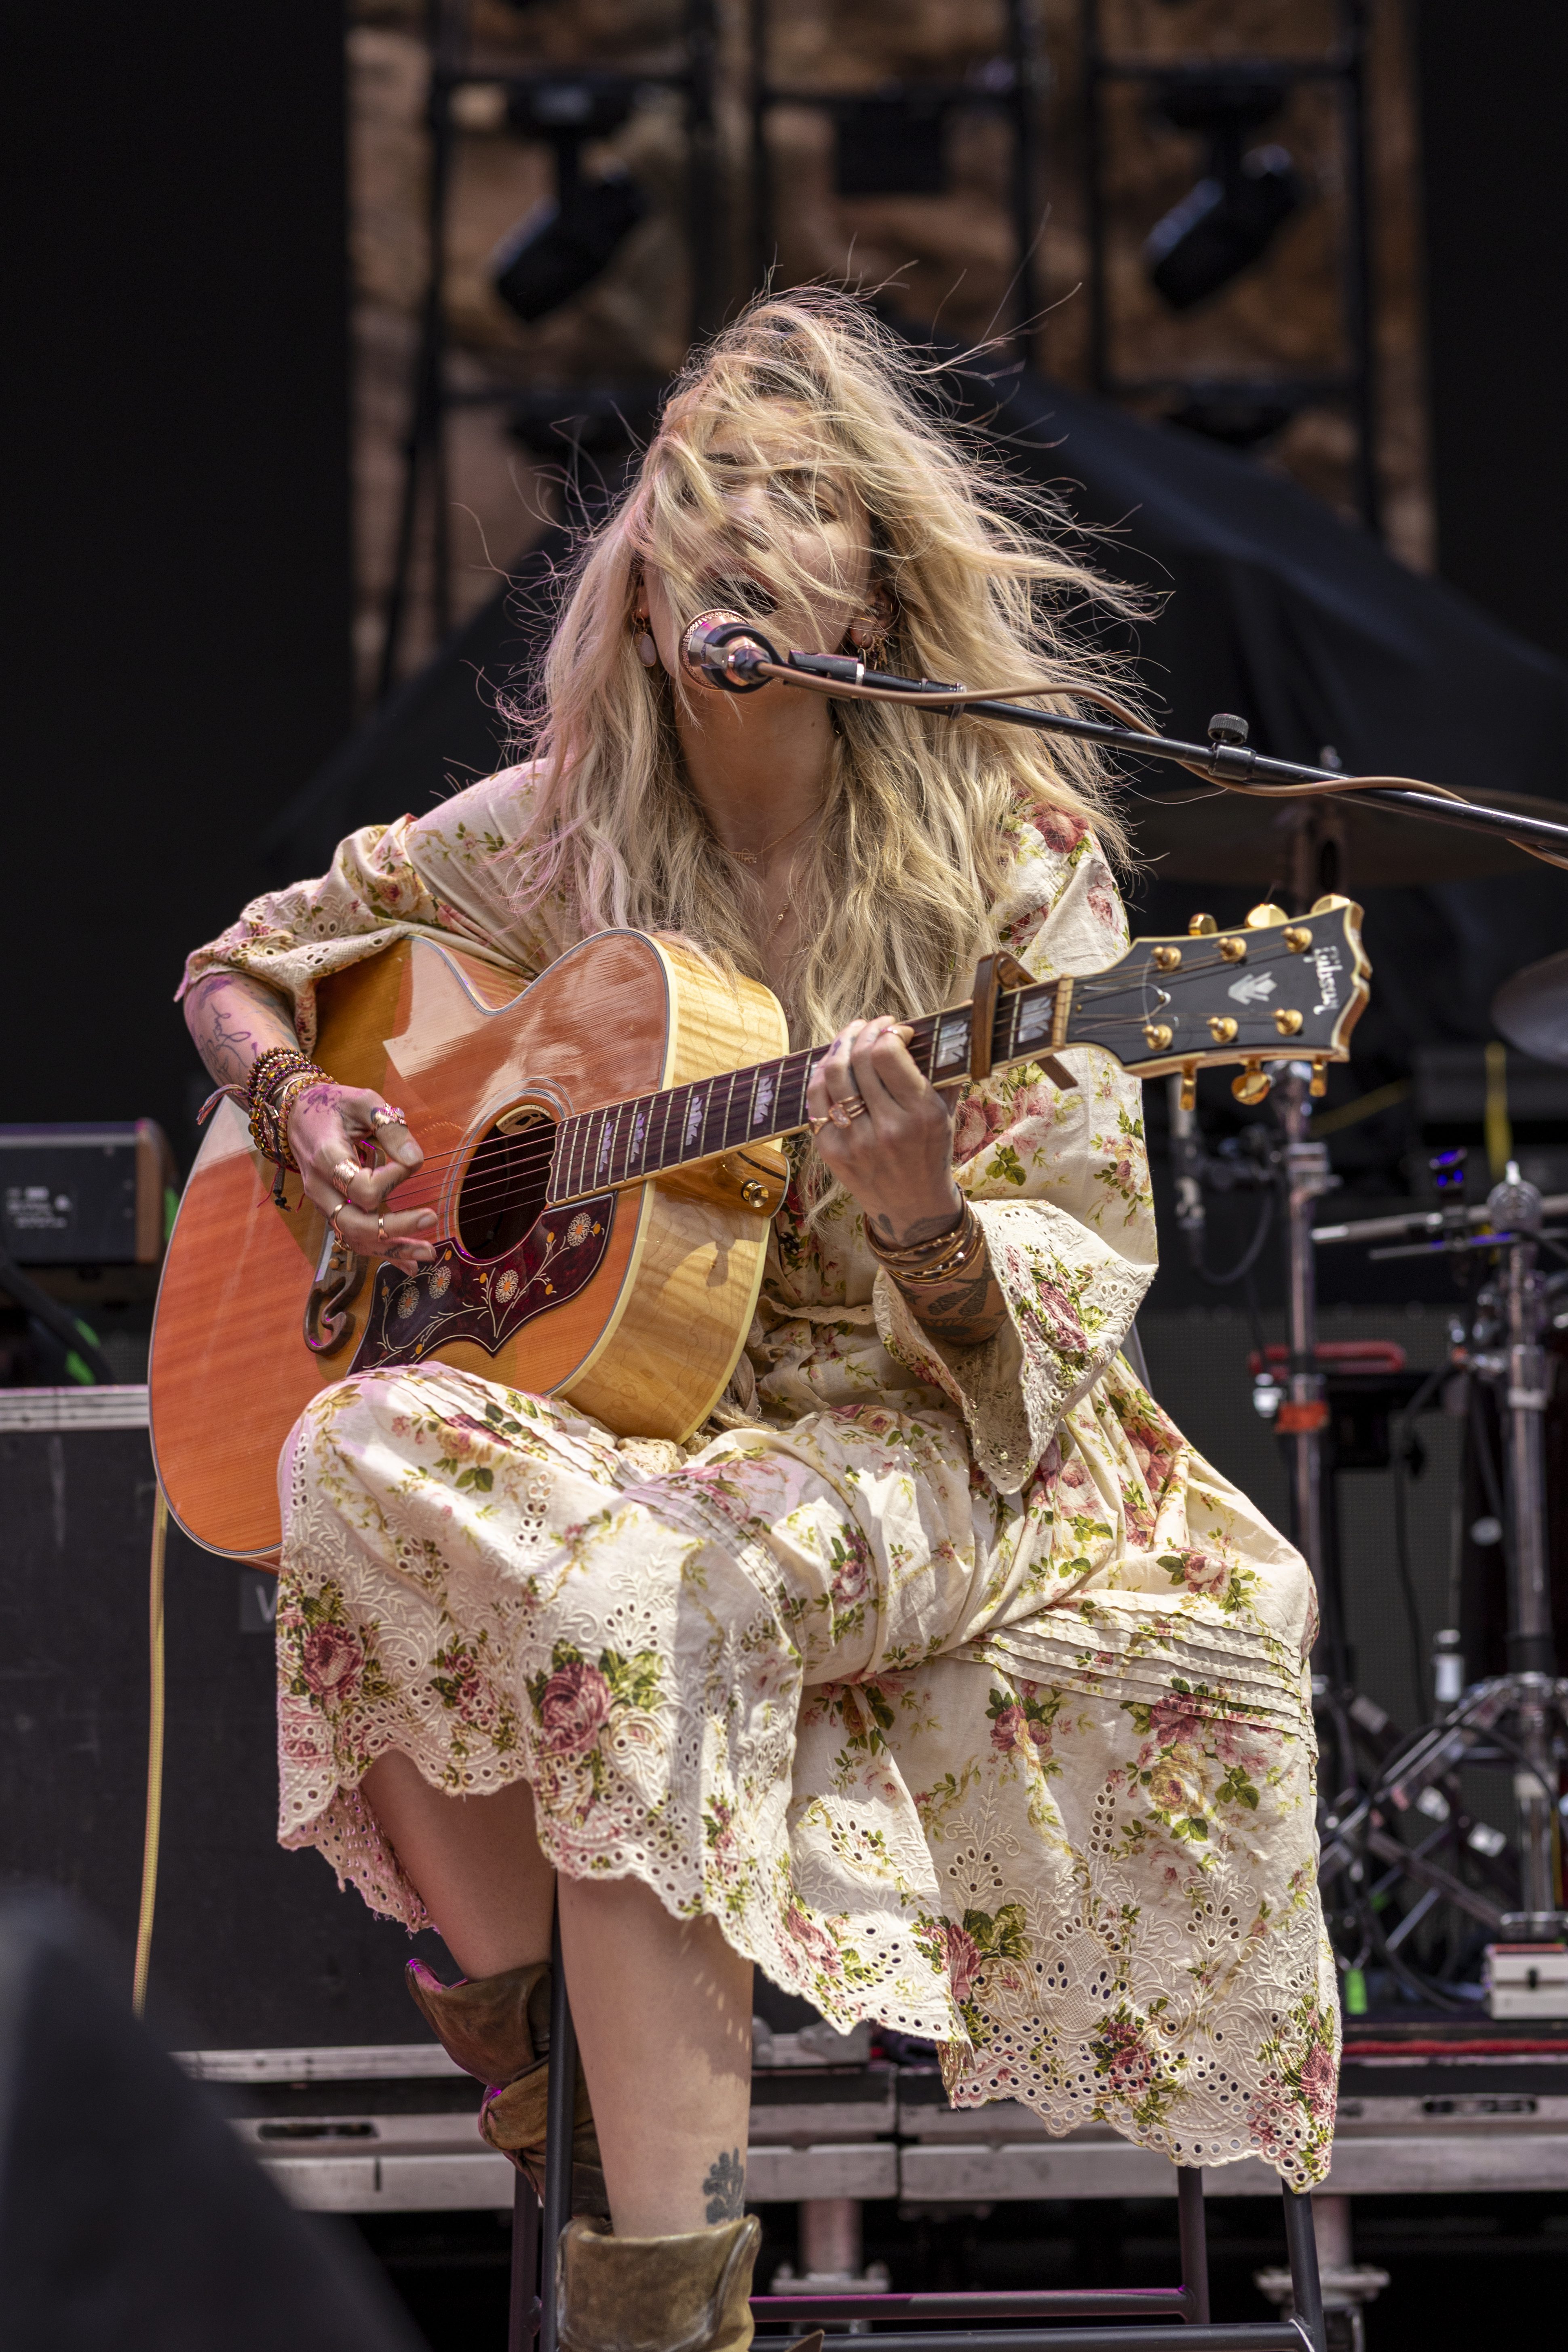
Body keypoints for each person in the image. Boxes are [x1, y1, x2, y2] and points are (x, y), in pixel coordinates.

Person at [181, 293, 1336, 2352]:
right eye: (693, 514)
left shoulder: (1020, 853)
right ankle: (541, 2050)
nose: (731, 546)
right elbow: (241, 967)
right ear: (631, 602)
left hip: (933, 1434)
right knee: (341, 1451)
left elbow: (1071, 1258)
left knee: (643, 1600)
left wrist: (919, 1229)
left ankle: (660, 2301)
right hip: (646, 1422)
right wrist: (305, 1103)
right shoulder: (552, 839)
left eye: (796, 511)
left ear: (872, 594)